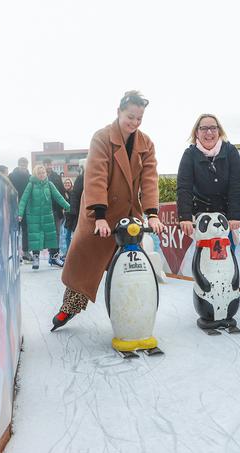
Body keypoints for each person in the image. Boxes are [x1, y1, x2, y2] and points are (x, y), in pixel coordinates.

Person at [52, 91, 164, 331]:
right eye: (130, 116)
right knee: (84, 266)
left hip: (129, 217)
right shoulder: (102, 137)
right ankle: (69, 307)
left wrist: (152, 213)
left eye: (139, 118)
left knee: (132, 268)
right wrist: (100, 217)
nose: (134, 123)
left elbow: (149, 180)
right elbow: (96, 177)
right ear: (119, 112)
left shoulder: (146, 144)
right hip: (99, 214)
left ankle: (132, 312)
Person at [176, 113, 240, 238]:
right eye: (204, 128)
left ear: (219, 131)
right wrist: (185, 217)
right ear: (197, 132)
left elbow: (237, 186)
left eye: (213, 128)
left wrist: (235, 216)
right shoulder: (190, 154)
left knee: (228, 254)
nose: (209, 132)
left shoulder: (231, 152)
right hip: (201, 217)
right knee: (202, 254)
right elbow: (184, 188)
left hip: (225, 217)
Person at [17, 164, 70, 269]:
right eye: (39, 173)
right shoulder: (31, 185)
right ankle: (36, 258)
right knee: (35, 237)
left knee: (51, 237)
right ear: (36, 174)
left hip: (47, 216)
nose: (41, 175)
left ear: (46, 173)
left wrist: (68, 206)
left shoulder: (49, 184)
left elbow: (58, 196)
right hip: (34, 216)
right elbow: (23, 200)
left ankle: (54, 258)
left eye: (43, 173)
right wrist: (20, 213)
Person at [8, 157, 32, 262]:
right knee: (15, 231)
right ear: (18, 164)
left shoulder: (30, 177)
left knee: (26, 230)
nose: (23, 166)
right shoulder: (11, 176)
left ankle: (26, 252)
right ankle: (15, 253)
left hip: (26, 208)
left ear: (27, 165)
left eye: (25, 164)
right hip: (14, 207)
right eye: (21, 164)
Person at [43, 159, 66, 255]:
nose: (48, 166)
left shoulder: (56, 177)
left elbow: (62, 192)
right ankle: (48, 251)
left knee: (56, 232)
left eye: (49, 164)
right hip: (43, 210)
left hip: (55, 208)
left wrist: (63, 206)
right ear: (43, 165)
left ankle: (54, 254)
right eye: (46, 164)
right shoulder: (38, 177)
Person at [61, 178, 73, 252]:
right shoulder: (62, 193)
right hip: (63, 217)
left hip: (71, 217)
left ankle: (70, 251)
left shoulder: (73, 193)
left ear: (71, 184)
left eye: (68, 183)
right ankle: (66, 252)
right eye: (65, 183)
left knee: (68, 235)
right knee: (65, 236)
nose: (67, 184)